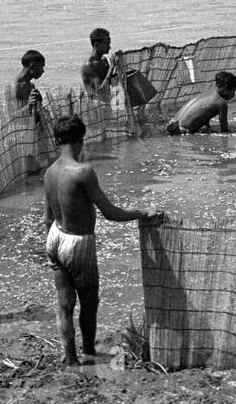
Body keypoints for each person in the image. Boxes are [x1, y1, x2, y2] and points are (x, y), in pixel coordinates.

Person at [43, 115, 158, 365]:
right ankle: (89, 352)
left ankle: (71, 358)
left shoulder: (50, 172)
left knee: (64, 304)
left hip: (54, 236)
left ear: (58, 141)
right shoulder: (83, 171)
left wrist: (50, 250)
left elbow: (47, 217)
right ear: (80, 140)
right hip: (78, 243)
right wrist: (142, 213)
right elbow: (110, 213)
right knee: (89, 301)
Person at [166, 71, 236, 134]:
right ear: (225, 87)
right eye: (233, 90)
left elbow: (203, 116)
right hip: (182, 131)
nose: (233, 94)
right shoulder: (221, 103)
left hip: (171, 124)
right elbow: (224, 130)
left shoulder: (207, 95)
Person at [81, 27, 121, 99]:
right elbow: (100, 90)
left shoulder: (103, 60)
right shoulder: (89, 66)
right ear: (97, 45)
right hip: (97, 104)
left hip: (108, 100)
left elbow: (109, 81)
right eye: (107, 44)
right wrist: (111, 67)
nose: (109, 47)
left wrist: (116, 64)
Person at [14, 49, 46, 114]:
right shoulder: (15, 86)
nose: (43, 71)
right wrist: (29, 105)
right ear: (32, 66)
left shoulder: (30, 85)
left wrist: (39, 100)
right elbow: (12, 116)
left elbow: (33, 111)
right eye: (41, 67)